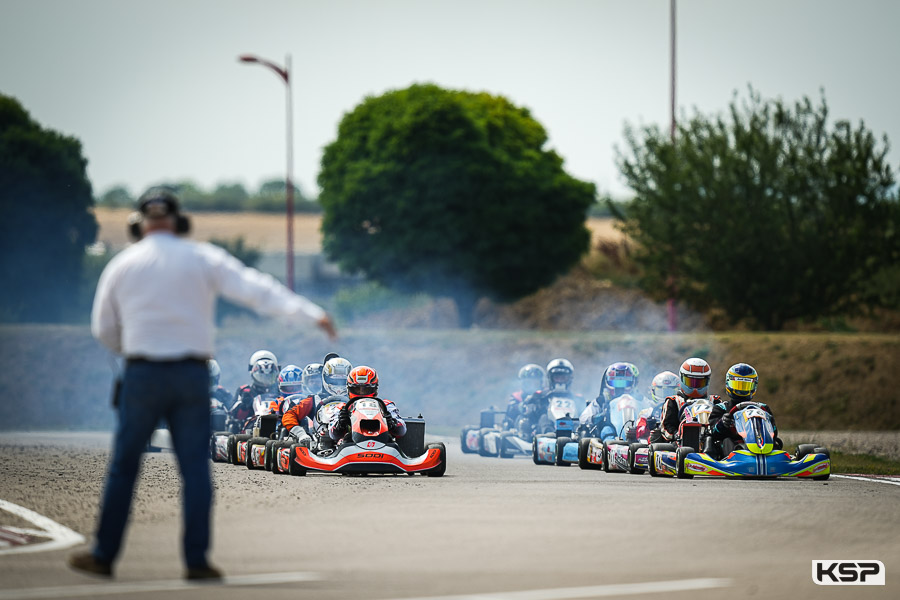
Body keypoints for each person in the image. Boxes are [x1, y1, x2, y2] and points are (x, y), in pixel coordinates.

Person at [70, 187, 337, 581]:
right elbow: (257, 289)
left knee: (125, 465)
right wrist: (313, 314)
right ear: (179, 222)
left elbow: (104, 329)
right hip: (191, 374)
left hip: (142, 373)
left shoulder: (122, 265)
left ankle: (104, 555)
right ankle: (197, 561)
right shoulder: (201, 258)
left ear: (138, 224)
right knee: (194, 468)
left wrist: (137, 351)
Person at [709, 363, 782, 456]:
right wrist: (722, 424)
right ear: (728, 384)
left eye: (745, 386)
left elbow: (774, 435)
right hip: (732, 451)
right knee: (727, 441)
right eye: (738, 385)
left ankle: (772, 459)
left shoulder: (762, 408)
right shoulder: (721, 408)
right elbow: (713, 433)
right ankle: (733, 462)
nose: (741, 390)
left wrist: (770, 424)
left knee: (774, 443)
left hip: (759, 445)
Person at [648, 357, 720, 444]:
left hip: (713, 440)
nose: (695, 387)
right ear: (682, 379)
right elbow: (667, 427)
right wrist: (676, 435)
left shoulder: (715, 401)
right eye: (691, 382)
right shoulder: (674, 401)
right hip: (681, 443)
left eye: (700, 382)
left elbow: (722, 424)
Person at [329, 365, 406, 442]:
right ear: (349, 389)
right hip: (350, 446)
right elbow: (333, 434)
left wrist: (392, 423)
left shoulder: (386, 406)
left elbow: (402, 430)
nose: (362, 393)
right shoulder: (341, 408)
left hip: (383, 445)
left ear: (375, 389)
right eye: (357, 389)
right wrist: (341, 424)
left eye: (366, 389)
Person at [579, 362, 640, 440]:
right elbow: (583, 418)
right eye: (616, 382)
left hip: (634, 431)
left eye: (624, 382)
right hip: (610, 432)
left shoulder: (637, 399)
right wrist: (599, 417)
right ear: (607, 382)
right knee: (607, 431)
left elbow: (648, 410)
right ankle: (610, 449)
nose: (619, 387)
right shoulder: (602, 400)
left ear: (632, 383)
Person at [226, 350, 280, 430]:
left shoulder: (280, 390)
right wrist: (244, 405)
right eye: (262, 376)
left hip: (277, 426)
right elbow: (233, 415)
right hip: (251, 430)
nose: (265, 381)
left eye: (269, 377)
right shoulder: (245, 391)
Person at [634, 370, 678, 440]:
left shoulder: (681, 412)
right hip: (652, 446)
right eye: (661, 392)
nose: (665, 396)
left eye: (669, 392)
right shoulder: (647, 413)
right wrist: (649, 427)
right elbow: (639, 433)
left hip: (676, 445)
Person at [503, 364, 544, 429]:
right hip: (521, 428)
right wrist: (525, 404)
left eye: (535, 383)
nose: (532, 386)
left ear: (541, 383)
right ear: (523, 383)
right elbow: (512, 411)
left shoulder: (546, 395)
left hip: (541, 426)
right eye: (528, 383)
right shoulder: (516, 396)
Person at [207, 359, 231, 432]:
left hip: (220, 435)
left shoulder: (223, 393)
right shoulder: (191, 393)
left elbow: (232, 412)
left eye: (212, 380)